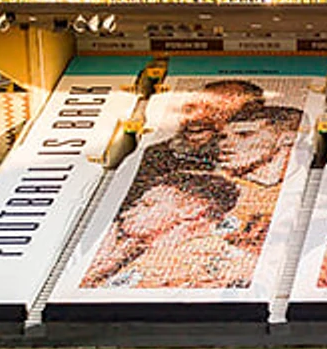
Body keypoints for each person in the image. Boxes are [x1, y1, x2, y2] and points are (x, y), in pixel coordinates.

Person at [80, 172, 256, 289]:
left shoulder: (176, 264)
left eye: (147, 205)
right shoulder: (149, 257)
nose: (127, 214)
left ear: (192, 209)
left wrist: (96, 271)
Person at [213, 102, 304, 252]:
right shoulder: (215, 189)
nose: (225, 144)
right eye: (223, 137)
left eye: (244, 135)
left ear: (286, 138)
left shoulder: (313, 189)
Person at [136, 79, 264, 178]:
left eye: (215, 112)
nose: (194, 118)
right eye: (190, 109)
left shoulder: (257, 166)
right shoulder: (154, 156)